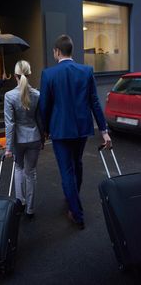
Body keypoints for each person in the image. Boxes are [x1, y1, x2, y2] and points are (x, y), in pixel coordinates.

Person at [39, 34, 111, 230]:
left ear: (57, 52)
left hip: (60, 130)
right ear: (71, 51)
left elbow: (44, 106)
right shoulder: (86, 71)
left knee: (67, 170)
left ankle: (77, 214)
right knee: (77, 164)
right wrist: (104, 130)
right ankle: (73, 199)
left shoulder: (48, 74)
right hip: (81, 129)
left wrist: (44, 130)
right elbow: (95, 102)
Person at [4, 60, 44, 219]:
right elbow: (40, 119)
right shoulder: (37, 94)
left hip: (18, 140)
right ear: (29, 74)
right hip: (34, 136)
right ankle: (31, 210)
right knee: (31, 172)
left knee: (19, 169)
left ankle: (20, 203)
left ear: (15, 76)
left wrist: (8, 147)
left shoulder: (9, 96)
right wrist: (42, 138)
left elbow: (10, 123)